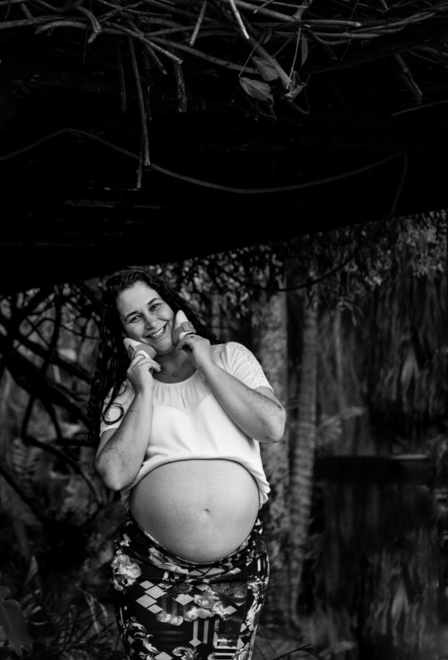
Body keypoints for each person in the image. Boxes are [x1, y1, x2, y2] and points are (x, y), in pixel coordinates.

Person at [88, 267, 286, 660]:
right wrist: (144, 390)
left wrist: (206, 362)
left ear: (173, 306)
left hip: (237, 567)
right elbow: (114, 473)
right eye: (134, 317)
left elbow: (271, 426)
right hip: (152, 570)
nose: (151, 323)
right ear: (123, 332)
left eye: (155, 306)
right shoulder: (125, 392)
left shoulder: (230, 357)